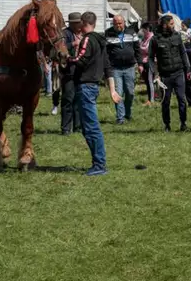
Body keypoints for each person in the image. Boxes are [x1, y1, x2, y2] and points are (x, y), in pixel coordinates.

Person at [71, 11, 120, 175]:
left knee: (91, 128)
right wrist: (113, 90)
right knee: (87, 128)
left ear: (82, 23)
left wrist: (66, 58)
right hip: (93, 87)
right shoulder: (100, 41)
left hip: (85, 87)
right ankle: (97, 163)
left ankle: (99, 165)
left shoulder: (87, 39)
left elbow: (80, 61)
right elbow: (108, 67)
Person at [147, 14, 191, 132]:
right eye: (171, 24)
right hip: (165, 75)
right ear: (164, 24)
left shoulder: (177, 36)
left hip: (179, 72)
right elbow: (150, 58)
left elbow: (183, 53)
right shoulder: (155, 39)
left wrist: (188, 68)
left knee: (182, 99)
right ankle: (167, 124)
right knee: (165, 101)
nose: (174, 26)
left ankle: (183, 123)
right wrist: (155, 73)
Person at [105, 15, 141, 124]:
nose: (118, 25)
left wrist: (140, 64)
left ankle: (128, 113)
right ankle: (120, 118)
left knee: (130, 93)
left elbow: (137, 49)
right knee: (118, 92)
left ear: (124, 23)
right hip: (115, 68)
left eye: (120, 23)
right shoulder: (108, 33)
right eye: (116, 23)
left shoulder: (131, 32)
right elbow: (105, 52)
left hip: (129, 67)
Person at [56, 12, 84, 135]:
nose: (79, 25)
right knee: (68, 99)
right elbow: (59, 48)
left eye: (80, 22)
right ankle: (66, 128)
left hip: (81, 71)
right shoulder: (65, 34)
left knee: (79, 99)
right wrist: (73, 44)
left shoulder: (84, 33)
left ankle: (77, 126)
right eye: (77, 22)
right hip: (68, 71)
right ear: (72, 23)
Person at [138, 22, 156, 106]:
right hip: (143, 61)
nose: (141, 31)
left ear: (147, 29)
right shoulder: (143, 38)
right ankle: (150, 98)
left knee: (150, 81)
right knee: (147, 81)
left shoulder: (152, 38)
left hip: (150, 62)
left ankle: (151, 100)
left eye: (143, 29)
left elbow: (147, 50)